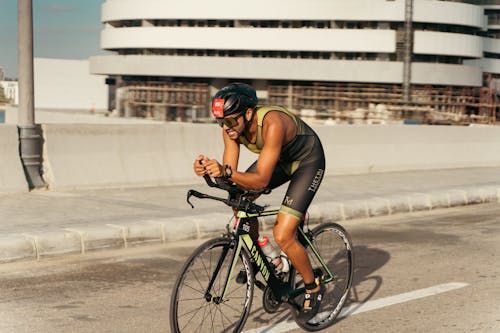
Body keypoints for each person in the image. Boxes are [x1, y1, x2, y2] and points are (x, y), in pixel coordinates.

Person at [193, 82, 326, 320]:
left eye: (231, 121)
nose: (226, 127)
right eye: (221, 122)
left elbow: (261, 181)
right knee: (238, 200)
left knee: (283, 234)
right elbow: (232, 176)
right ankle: (264, 257)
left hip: (307, 162)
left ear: (248, 113)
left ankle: (312, 286)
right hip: (279, 162)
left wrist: (225, 172)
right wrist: (210, 172)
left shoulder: (272, 123)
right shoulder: (230, 127)